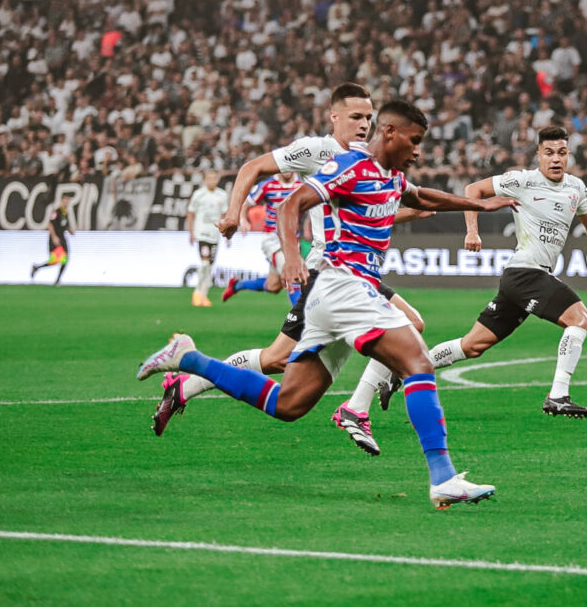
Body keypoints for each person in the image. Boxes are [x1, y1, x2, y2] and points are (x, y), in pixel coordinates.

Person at [137, 100, 519, 508]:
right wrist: (292, 258)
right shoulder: (349, 166)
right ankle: (442, 476)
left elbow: (422, 196)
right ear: (390, 133)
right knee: (418, 361)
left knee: (289, 404)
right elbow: (291, 204)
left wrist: (478, 205)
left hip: (342, 295)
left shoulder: (391, 176)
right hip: (342, 286)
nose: (418, 150)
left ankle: (190, 359)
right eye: (415, 140)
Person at [151, 84, 425, 457]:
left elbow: (376, 211)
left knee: (279, 358)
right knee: (278, 359)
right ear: (335, 117)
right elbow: (253, 167)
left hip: (355, 274)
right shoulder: (317, 150)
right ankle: (354, 410)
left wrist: (417, 207)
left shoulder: (372, 159)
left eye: (368, 118)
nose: (364, 125)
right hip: (324, 273)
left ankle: (187, 383)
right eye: (355, 117)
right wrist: (235, 212)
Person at [423, 125, 587, 418]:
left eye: (562, 152)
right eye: (549, 153)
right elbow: (473, 190)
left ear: (568, 154)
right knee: (579, 319)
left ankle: (404, 369)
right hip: (526, 273)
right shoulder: (522, 180)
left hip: (523, 279)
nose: (556, 159)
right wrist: (472, 232)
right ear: (539, 155)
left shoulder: (576, 188)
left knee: (472, 345)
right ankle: (559, 394)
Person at [221, 171, 304, 306]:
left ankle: (237, 285)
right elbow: (246, 203)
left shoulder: (302, 183)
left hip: (293, 241)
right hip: (273, 239)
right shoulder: (268, 184)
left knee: (273, 286)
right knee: (292, 276)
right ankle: (301, 321)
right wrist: (243, 220)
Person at [186, 170, 229, 307]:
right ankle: (197, 292)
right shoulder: (198, 195)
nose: (212, 181)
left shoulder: (222, 195)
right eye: (209, 178)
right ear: (204, 180)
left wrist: (227, 234)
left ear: (217, 180)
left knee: (210, 266)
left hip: (214, 235)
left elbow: (224, 216)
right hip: (202, 233)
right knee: (204, 263)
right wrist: (191, 232)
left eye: (214, 178)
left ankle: (204, 295)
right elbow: (191, 213)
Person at [31, 192, 74, 285]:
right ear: (62, 200)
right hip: (55, 238)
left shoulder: (65, 213)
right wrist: (54, 237)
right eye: (66, 199)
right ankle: (37, 267)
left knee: (65, 259)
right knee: (55, 260)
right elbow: (49, 224)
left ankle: (57, 280)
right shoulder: (57, 211)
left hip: (62, 238)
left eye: (68, 200)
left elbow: (63, 225)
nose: (67, 202)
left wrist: (70, 230)